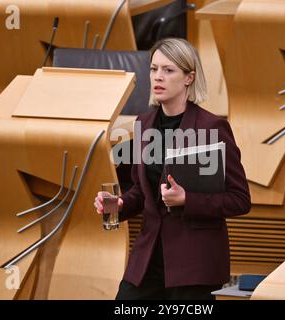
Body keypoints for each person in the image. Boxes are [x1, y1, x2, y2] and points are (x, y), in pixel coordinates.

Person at [94, 38, 251, 300]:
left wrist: (187, 200)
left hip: (194, 262)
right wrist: (119, 203)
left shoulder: (213, 128)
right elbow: (142, 193)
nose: (158, 77)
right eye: (154, 69)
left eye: (168, 70)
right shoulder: (142, 124)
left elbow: (240, 199)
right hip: (148, 259)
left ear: (189, 78)